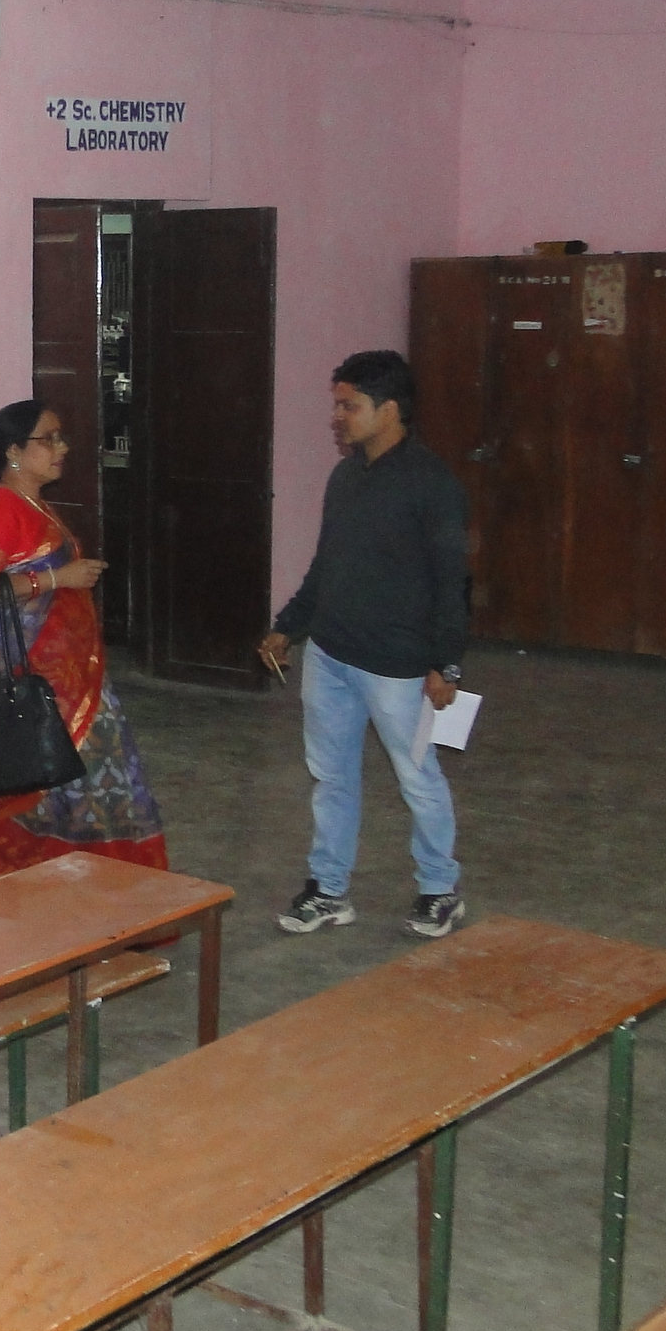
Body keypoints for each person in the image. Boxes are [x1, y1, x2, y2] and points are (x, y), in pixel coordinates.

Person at [257, 350, 471, 939]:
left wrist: (446, 664)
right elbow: (327, 565)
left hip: (400, 668)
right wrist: (288, 625)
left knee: (418, 777)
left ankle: (439, 889)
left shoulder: (433, 484)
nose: (338, 417)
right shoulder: (346, 477)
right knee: (331, 777)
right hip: (330, 657)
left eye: (349, 406)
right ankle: (328, 890)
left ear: (390, 410)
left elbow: (452, 581)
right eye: (338, 405)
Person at [0, 401, 167, 887]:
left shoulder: (34, 504)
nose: (62, 448)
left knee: (85, 781)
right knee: (64, 776)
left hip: (70, 675)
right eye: (50, 439)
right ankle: (55, 885)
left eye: (61, 437)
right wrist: (59, 578)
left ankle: (81, 888)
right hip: (38, 681)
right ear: (14, 451)